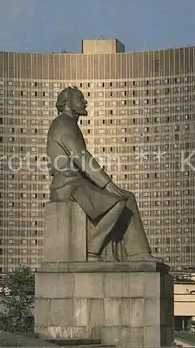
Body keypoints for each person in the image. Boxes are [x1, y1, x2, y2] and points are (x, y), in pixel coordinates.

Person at [46, 86, 162, 263]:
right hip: (68, 185)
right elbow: (82, 158)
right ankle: (93, 249)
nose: (85, 102)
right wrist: (109, 185)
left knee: (127, 198)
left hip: (78, 183)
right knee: (118, 200)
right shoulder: (63, 124)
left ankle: (138, 253)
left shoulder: (70, 124)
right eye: (80, 99)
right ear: (66, 103)